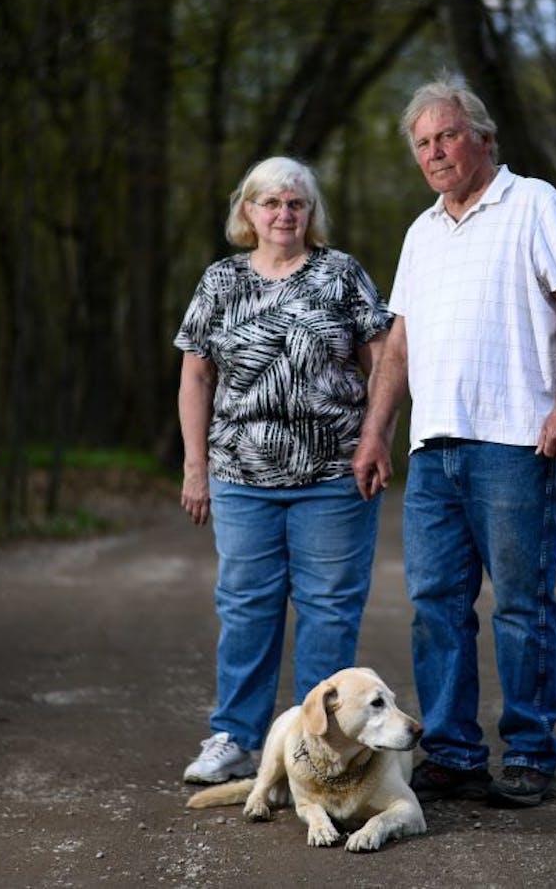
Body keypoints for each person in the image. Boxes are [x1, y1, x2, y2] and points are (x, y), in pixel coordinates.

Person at [352, 76, 556, 809]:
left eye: (447, 135)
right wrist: (376, 433)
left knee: (522, 605)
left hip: (517, 444)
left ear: (483, 140)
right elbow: (397, 347)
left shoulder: (535, 203)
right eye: (422, 143)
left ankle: (529, 751)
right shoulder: (420, 232)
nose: (435, 151)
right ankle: (455, 754)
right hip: (434, 452)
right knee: (436, 606)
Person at [176, 155, 392, 785]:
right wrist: (194, 467)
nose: (283, 213)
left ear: (310, 212)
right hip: (240, 476)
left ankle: (321, 750)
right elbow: (195, 375)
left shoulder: (341, 274)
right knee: (246, 607)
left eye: (295, 203)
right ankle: (235, 738)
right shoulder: (220, 282)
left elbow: (383, 361)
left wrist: (378, 437)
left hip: (334, 473)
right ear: (248, 211)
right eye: (269, 202)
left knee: (328, 609)